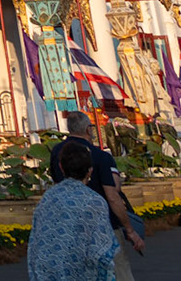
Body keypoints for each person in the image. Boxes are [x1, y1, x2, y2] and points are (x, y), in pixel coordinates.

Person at [50, 112, 143, 279]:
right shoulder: (100, 156)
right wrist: (129, 229)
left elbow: (57, 184)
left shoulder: (57, 152)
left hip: (69, 224)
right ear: (88, 129)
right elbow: (112, 195)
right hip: (103, 224)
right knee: (118, 268)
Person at [29, 143, 121, 281]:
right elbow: (102, 250)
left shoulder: (48, 198)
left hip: (47, 272)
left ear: (61, 167)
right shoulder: (94, 201)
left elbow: (35, 241)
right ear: (90, 171)